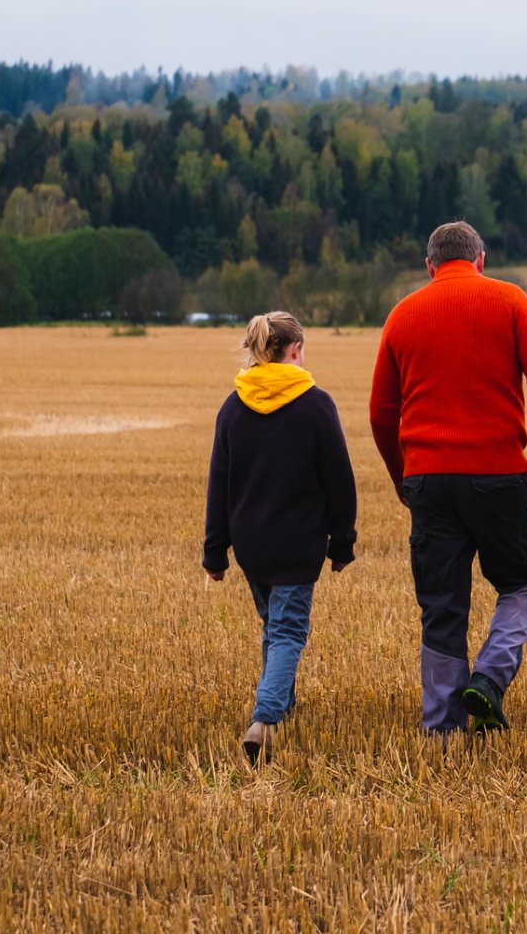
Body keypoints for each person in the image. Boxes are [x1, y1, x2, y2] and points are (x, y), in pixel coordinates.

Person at [370, 221, 527, 733]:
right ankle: (489, 677)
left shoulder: (403, 315)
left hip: (429, 480)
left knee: (441, 606)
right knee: (525, 583)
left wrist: (403, 476)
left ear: (430, 266)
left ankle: (443, 730)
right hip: (499, 476)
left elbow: (382, 415)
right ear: (481, 260)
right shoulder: (510, 302)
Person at [203, 311, 358, 766]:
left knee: (275, 624)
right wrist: (342, 543)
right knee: (288, 630)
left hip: (252, 545)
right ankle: (264, 720)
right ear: (294, 351)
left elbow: (219, 482)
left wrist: (216, 550)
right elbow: (339, 481)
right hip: (298, 543)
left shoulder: (233, 406)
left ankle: (283, 705)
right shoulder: (315, 404)